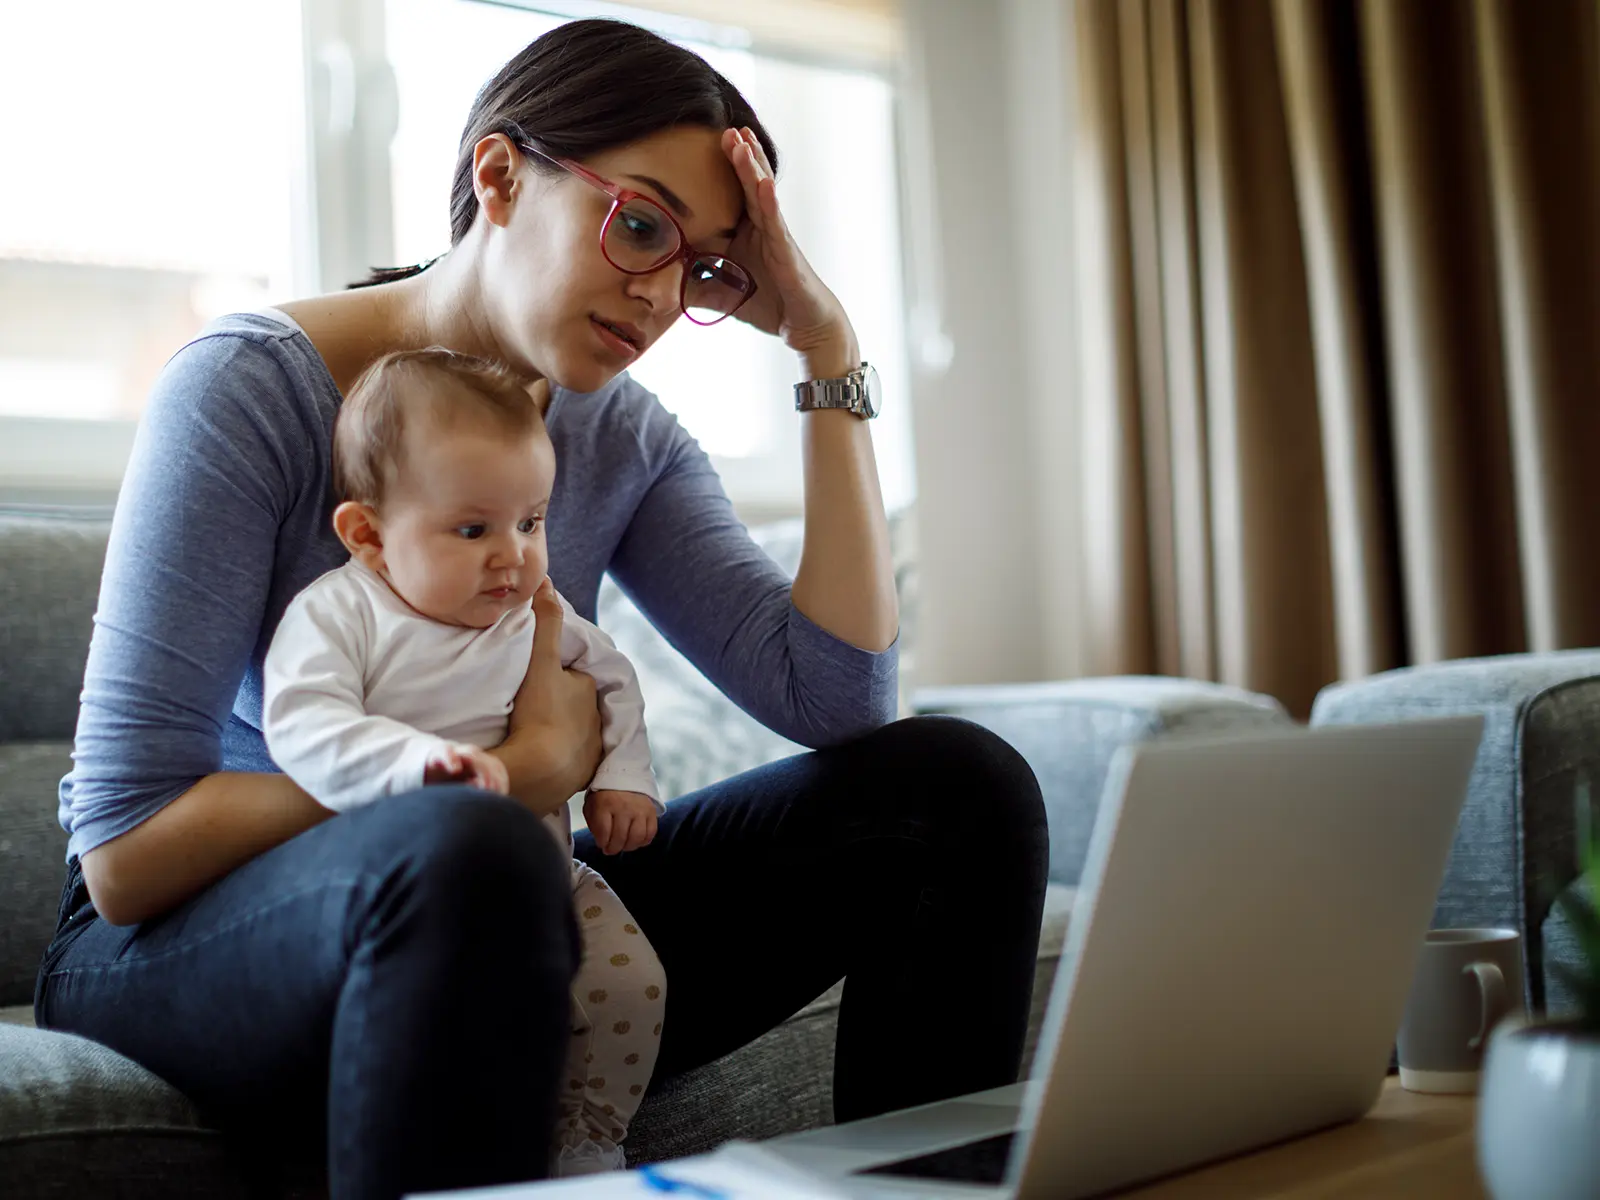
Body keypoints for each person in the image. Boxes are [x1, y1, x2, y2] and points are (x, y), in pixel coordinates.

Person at [36, 16, 1049, 1200]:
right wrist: (507, 770)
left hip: (511, 894)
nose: (663, 294)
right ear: (501, 176)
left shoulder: (621, 435)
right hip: (179, 940)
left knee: (952, 788)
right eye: (640, 226)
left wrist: (827, 348)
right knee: (465, 848)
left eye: (707, 265)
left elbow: (835, 700)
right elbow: (123, 856)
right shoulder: (248, 390)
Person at [261, 347, 667, 1176]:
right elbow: (303, 722)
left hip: (557, 874)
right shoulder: (343, 614)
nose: (512, 556)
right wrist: (416, 767)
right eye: (474, 529)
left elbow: (612, 677)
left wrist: (625, 774)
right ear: (369, 536)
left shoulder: (532, 611)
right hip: (419, 895)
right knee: (477, 1017)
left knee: (633, 984)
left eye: (532, 522)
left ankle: (590, 1140)